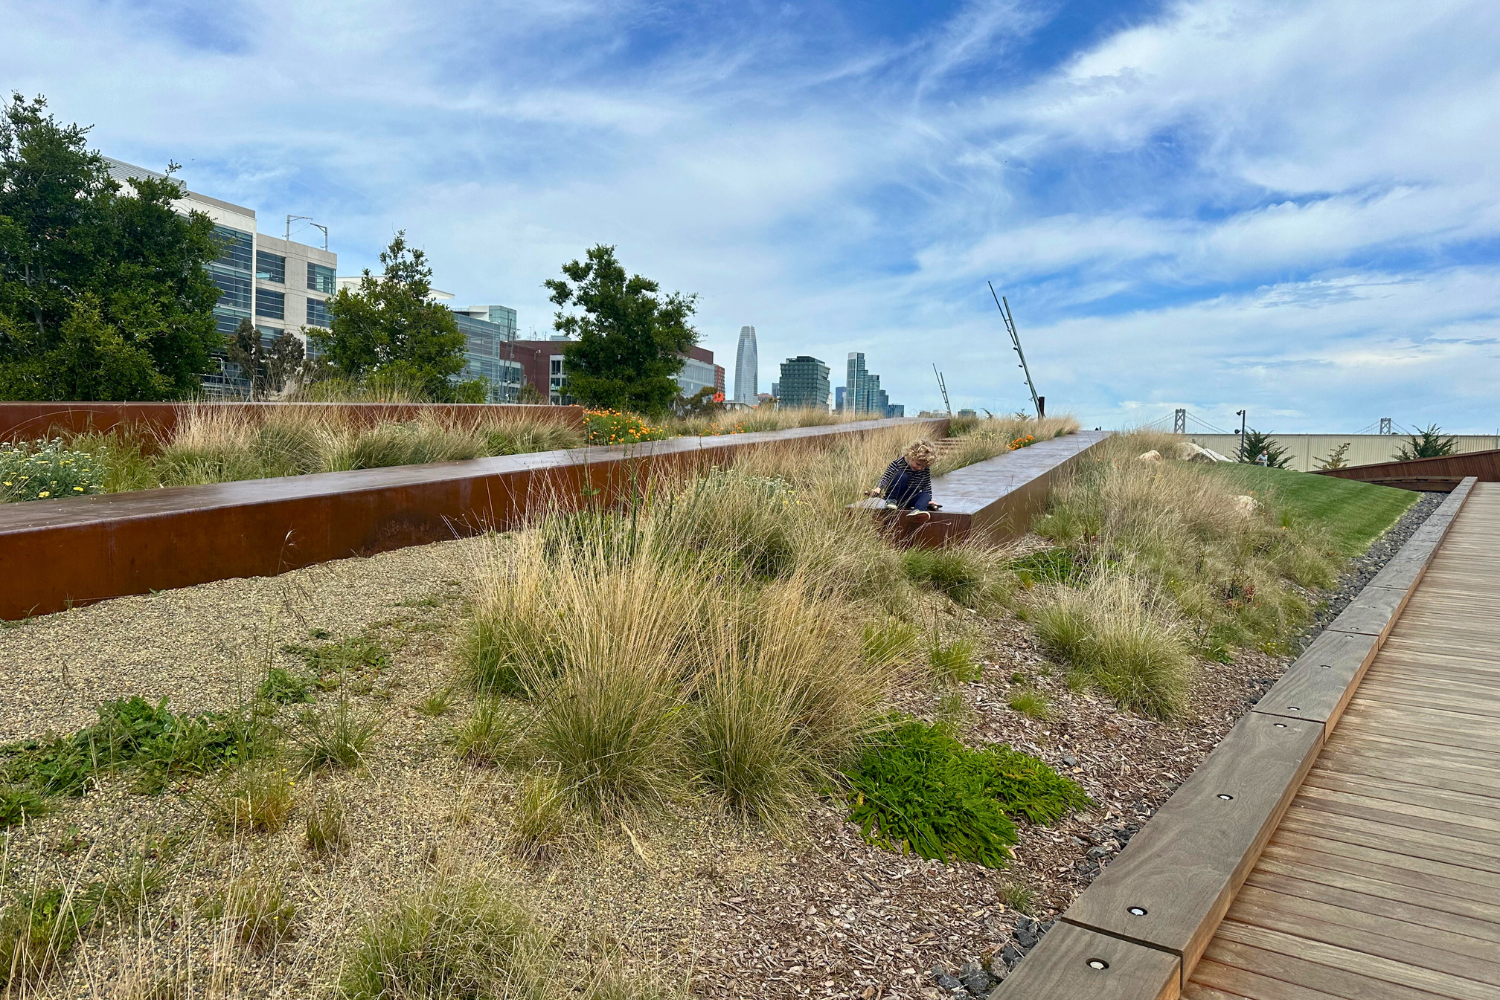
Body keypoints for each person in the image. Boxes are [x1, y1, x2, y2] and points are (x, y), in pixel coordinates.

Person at [869, 439, 939, 522]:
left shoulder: (925, 470)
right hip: (896, 495)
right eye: (918, 464)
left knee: (925, 495)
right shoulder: (898, 463)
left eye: (924, 467)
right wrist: (879, 488)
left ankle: (918, 511)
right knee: (902, 475)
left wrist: (929, 500)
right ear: (911, 455)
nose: (920, 468)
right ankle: (891, 501)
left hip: (910, 498)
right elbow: (886, 477)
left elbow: (926, 485)